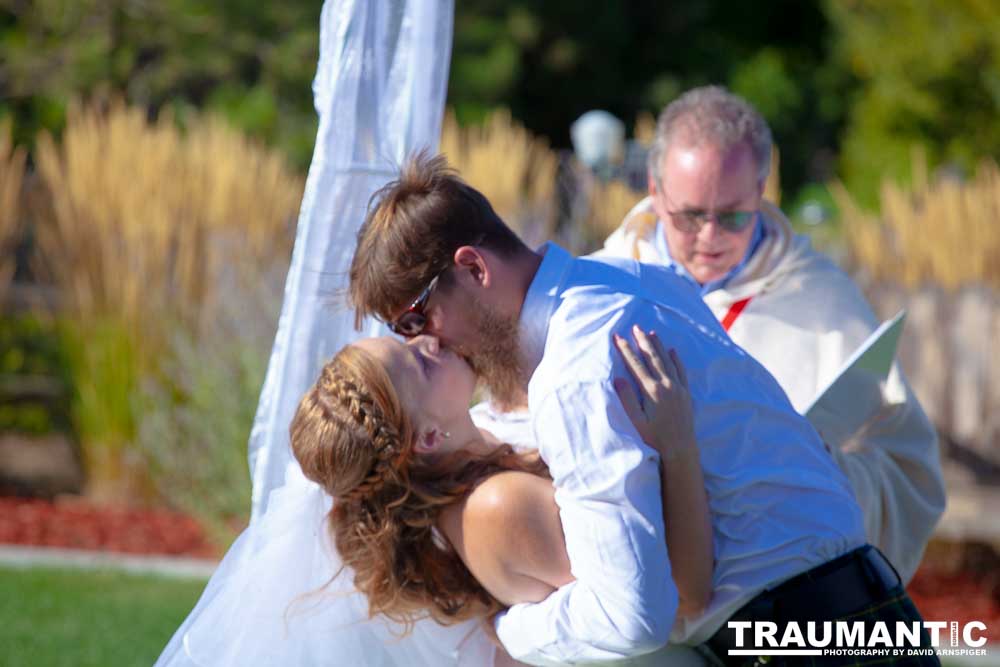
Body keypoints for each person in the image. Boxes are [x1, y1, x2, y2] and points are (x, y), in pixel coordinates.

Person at [347, 152, 938, 666]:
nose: (424, 342)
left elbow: (633, 618)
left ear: (474, 268)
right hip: (861, 608)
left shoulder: (575, 374)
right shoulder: (634, 279)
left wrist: (508, 632)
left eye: (415, 317)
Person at [599, 85, 945, 584]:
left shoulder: (821, 298)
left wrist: (824, 471)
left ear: (761, 188)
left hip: (777, 591)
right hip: (646, 584)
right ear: (655, 189)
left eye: (734, 215)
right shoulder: (605, 288)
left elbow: (910, 476)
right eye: (691, 215)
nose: (710, 236)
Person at [290, 329, 712, 666]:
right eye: (420, 363)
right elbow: (683, 598)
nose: (427, 340)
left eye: (406, 340)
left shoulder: (483, 441)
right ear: (429, 437)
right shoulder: (498, 506)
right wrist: (678, 445)